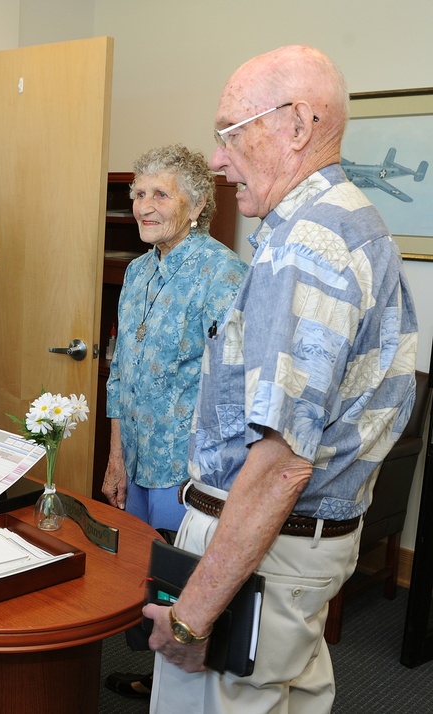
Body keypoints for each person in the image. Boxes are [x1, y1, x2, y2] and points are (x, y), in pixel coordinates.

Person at [145, 46, 417, 713]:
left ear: (296, 126)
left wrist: (192, 618)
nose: (216, 159)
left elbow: (280, 467)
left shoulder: (307, 245)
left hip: (264, 554)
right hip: (294, 556)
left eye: (230, 133)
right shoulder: (356, 222)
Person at [101, 145, 247, 699]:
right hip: (136, 457)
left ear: (197, 204)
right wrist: (115, 456)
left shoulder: (224, 275)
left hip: (189, 469)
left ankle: (188, 688)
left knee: (188, 585)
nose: (142, 206)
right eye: (137, 194)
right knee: (147, 576)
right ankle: (157, 677)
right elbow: (119, 372)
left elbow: (236, 393)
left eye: (159, 194)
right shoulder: (138, 271)